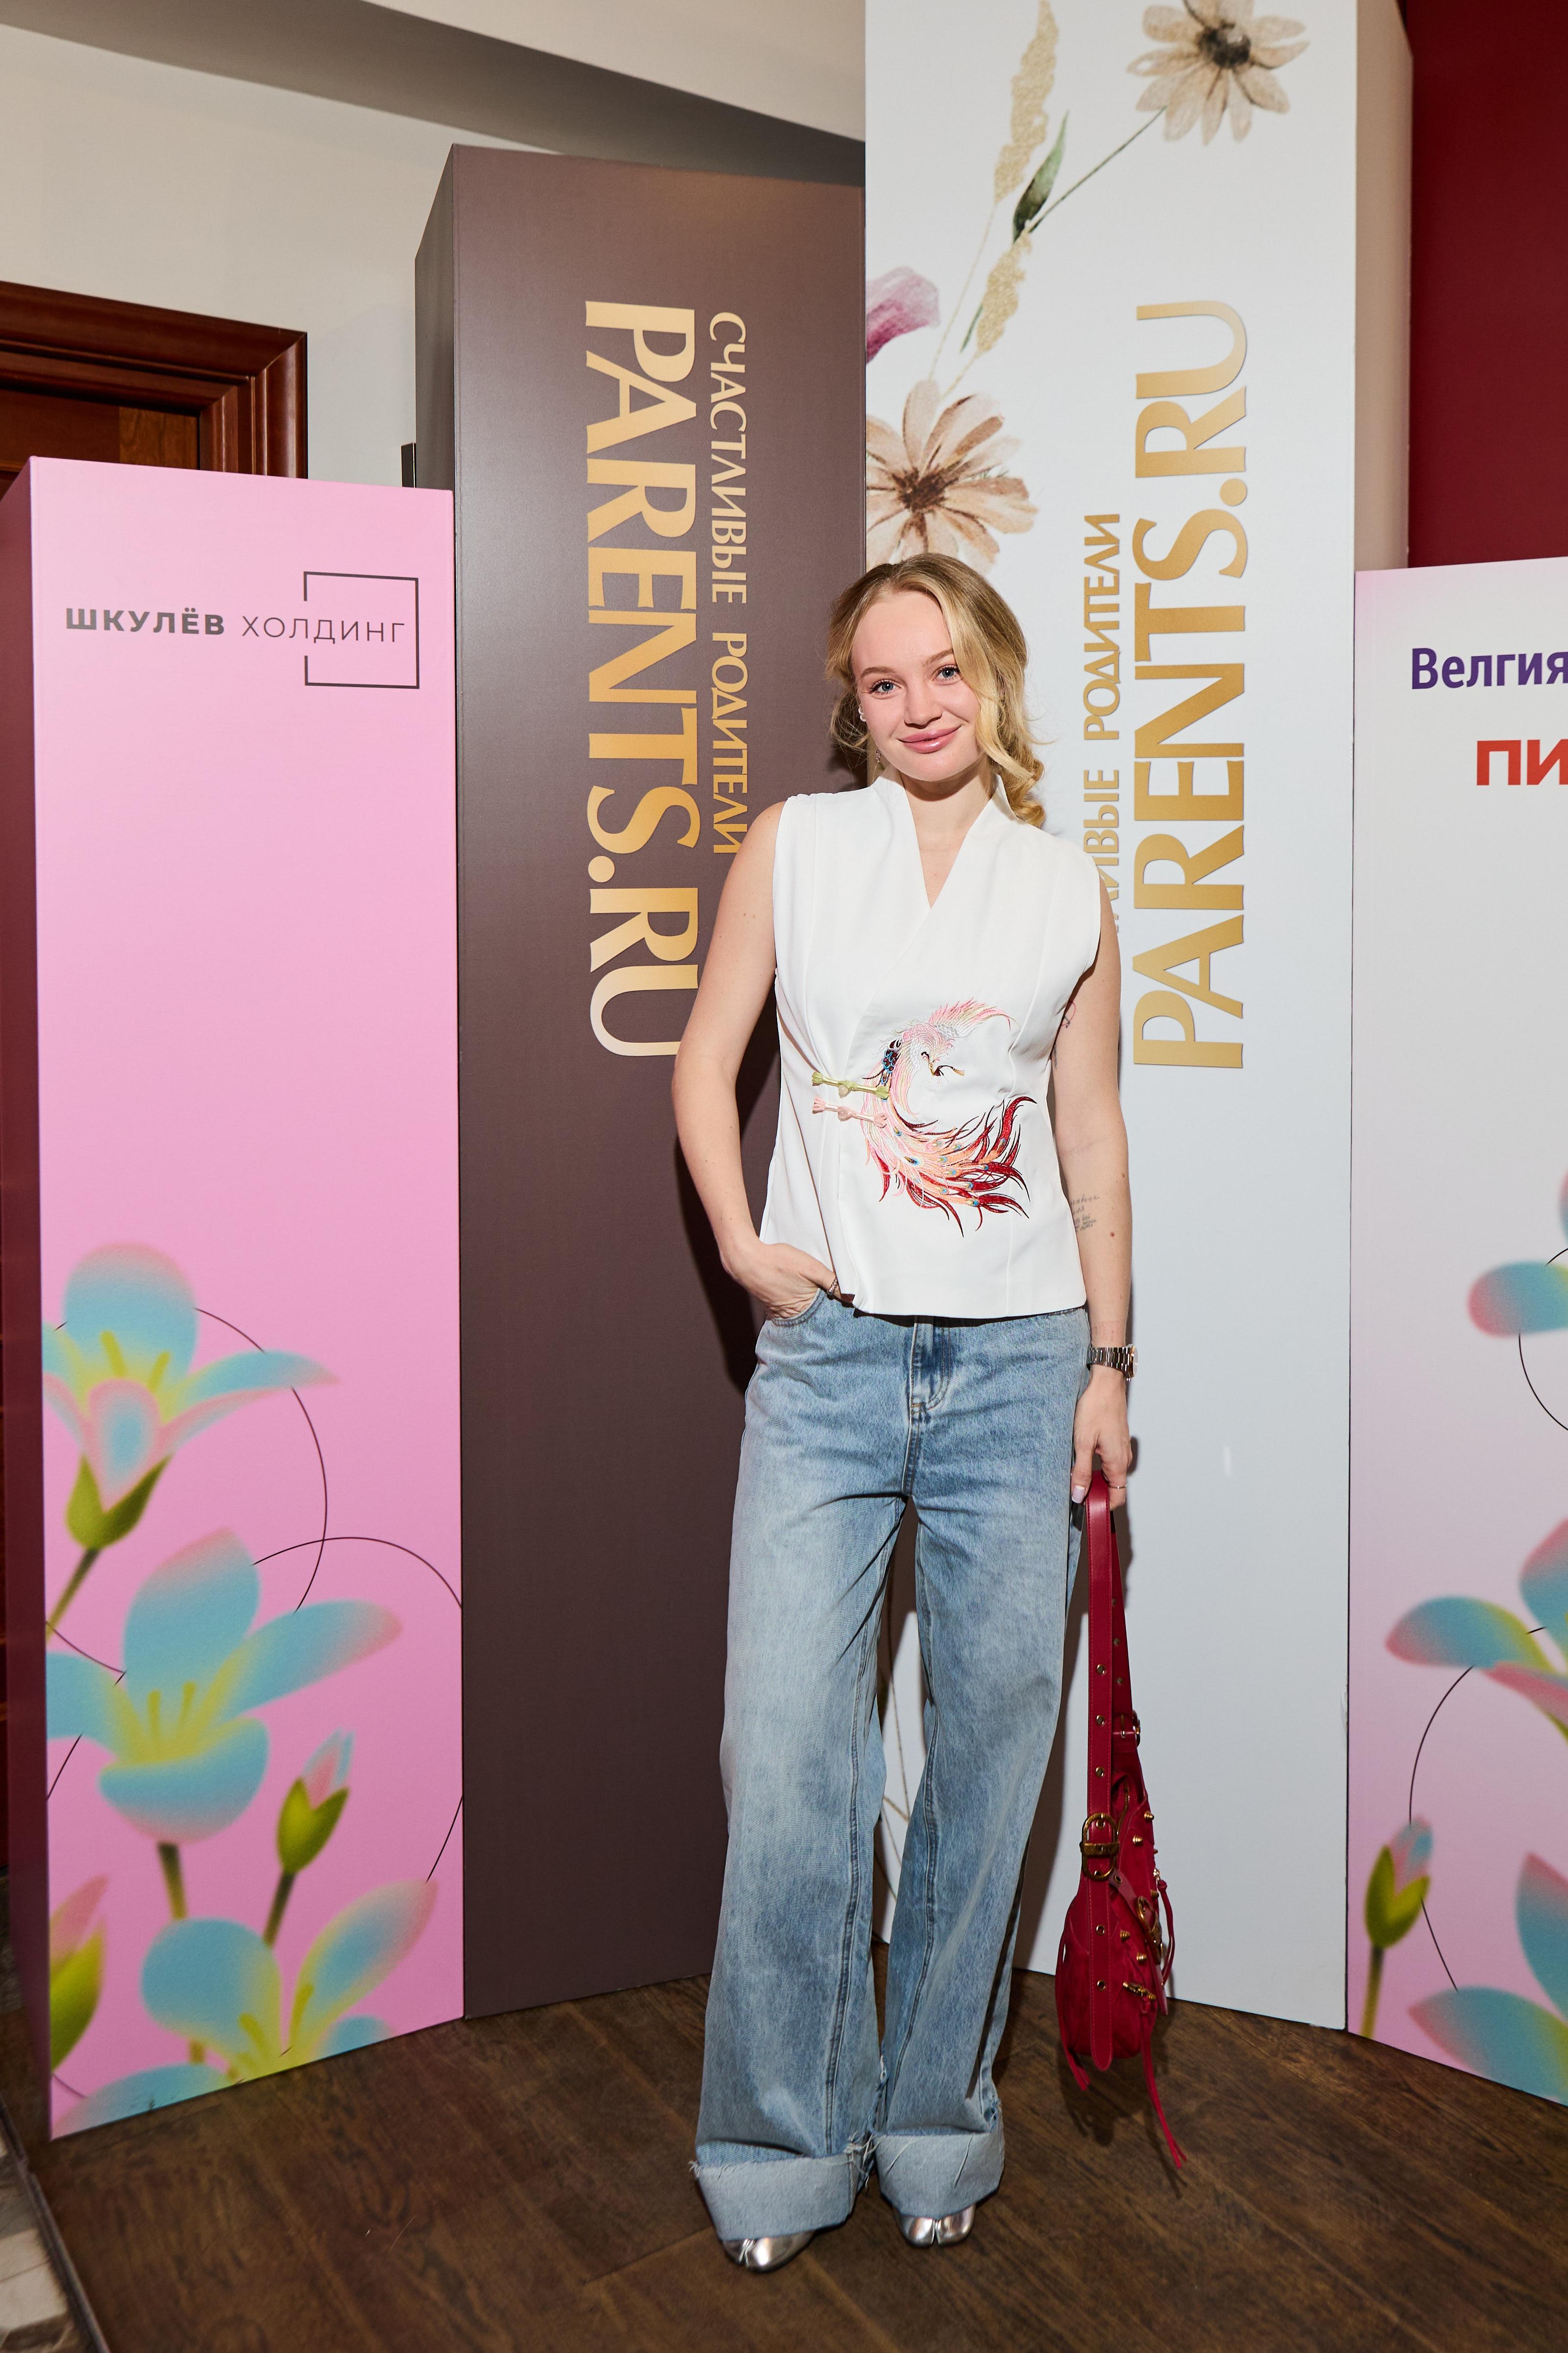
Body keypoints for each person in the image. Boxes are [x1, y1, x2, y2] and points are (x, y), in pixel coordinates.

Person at [672, 552, 1133, 2270]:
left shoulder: (1064, 887)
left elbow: (1090, 1134)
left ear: (991, 676)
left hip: (1022, 1368)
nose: (919, 704)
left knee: (991, 1755)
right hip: (836, 1360)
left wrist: (1110, 1361)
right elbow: (706, 1054)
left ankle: (938, 2113)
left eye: (945, 670)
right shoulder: (798, 848)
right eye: (884, 682)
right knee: (786, 1749)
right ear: (852, 707)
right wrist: (741, 1241)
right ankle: (780, 2140)